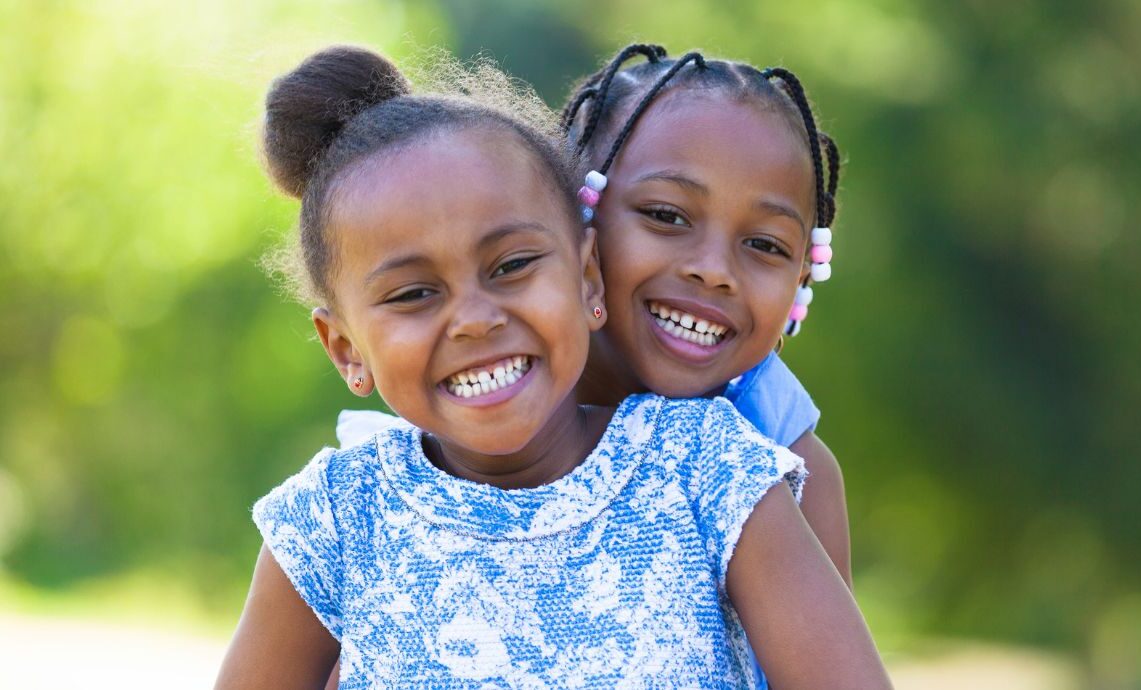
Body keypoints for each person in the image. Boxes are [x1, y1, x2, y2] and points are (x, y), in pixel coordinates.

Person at [216, 45, 889, 688]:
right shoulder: (340, 515)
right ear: (345, 349)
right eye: (415, 293)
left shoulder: (721, 473)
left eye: (511, 266)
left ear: (585, 272)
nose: (475, 319)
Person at [340, 43, 854, 589]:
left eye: (766, 245)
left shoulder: (790, 471)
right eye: (665, 215)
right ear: (576, 222)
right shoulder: (462, 433)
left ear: (802, 275)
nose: (714, 271)